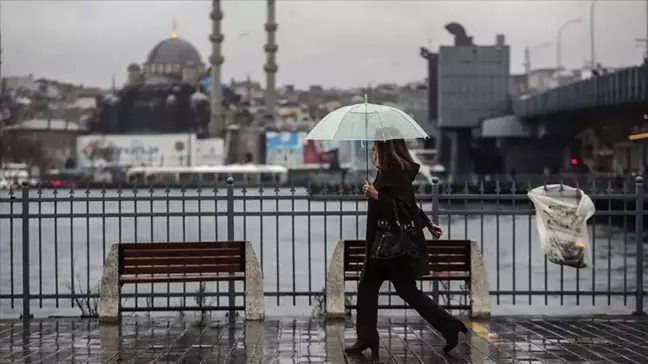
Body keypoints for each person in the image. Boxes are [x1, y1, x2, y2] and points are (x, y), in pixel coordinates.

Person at [345, 138, 468, 357]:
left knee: (391, 290)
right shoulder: (387, 172)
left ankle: (448, 326)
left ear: (386, 148)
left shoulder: (395, 173)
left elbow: (402, 207)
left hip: (391, 248)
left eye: (376, 145)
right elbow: (410, 205)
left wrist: (377, 196)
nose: (373, 148)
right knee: (376, 289)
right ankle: (367, 337)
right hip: (384, 246)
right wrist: (428, 223)